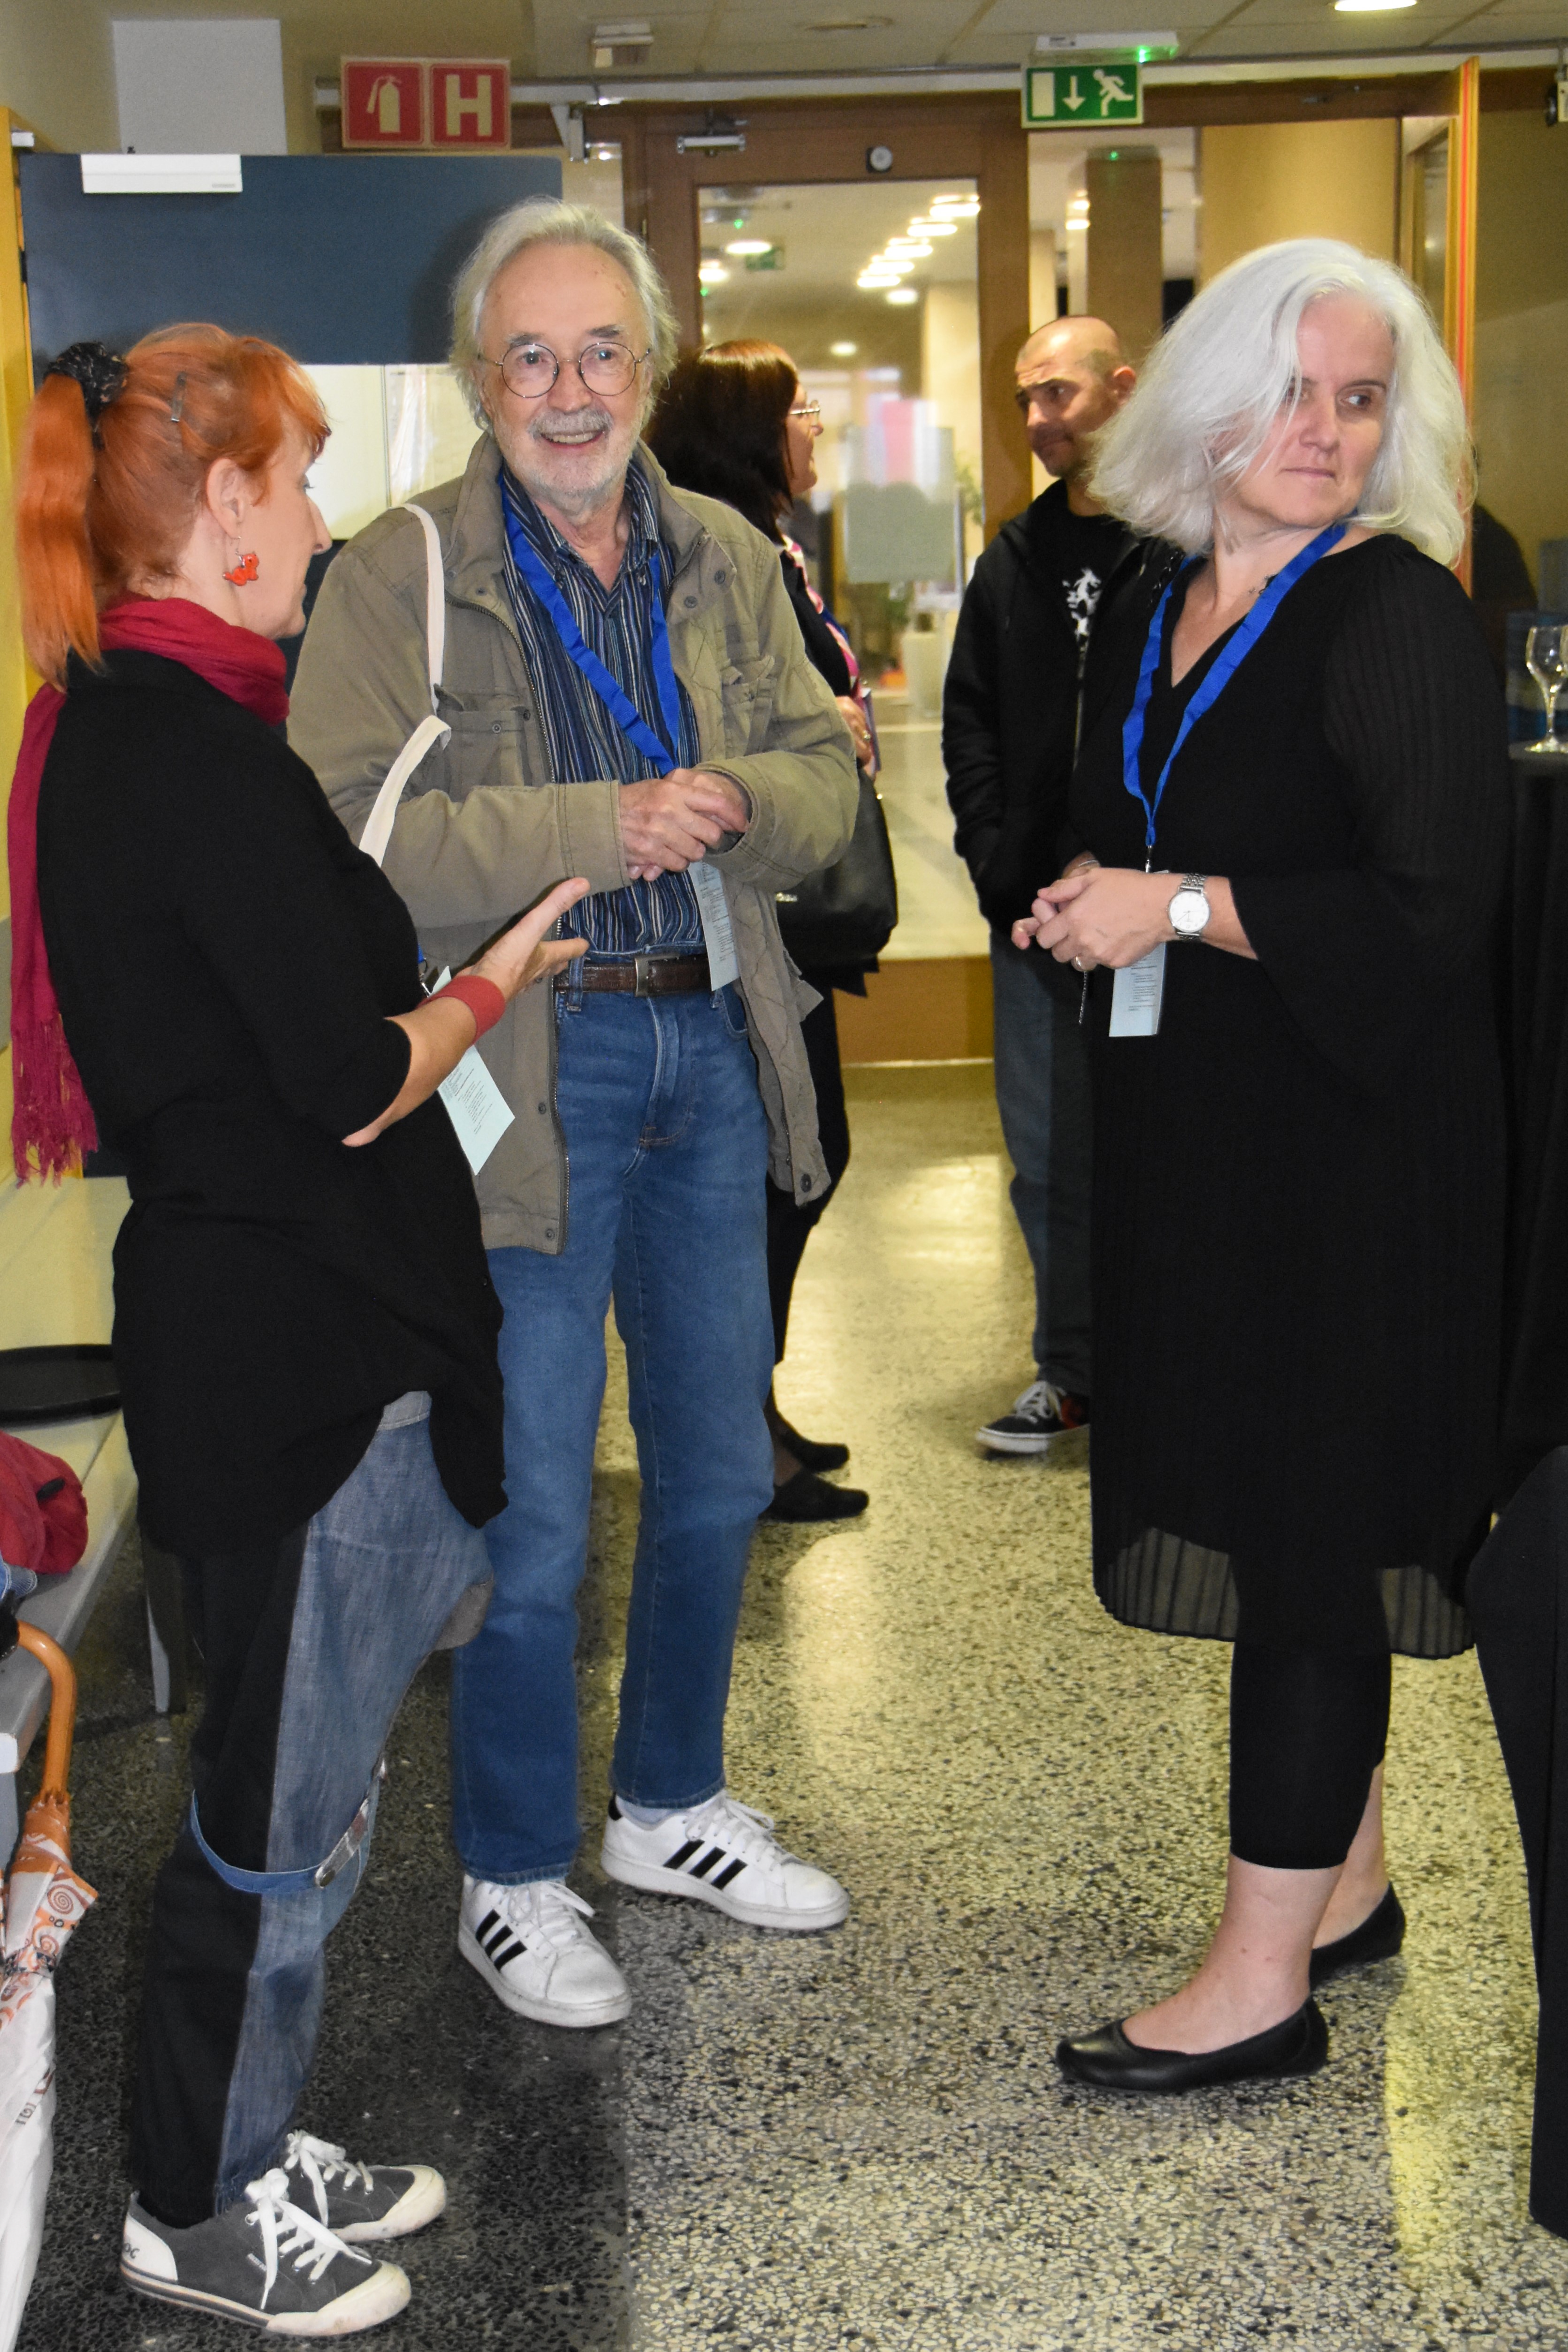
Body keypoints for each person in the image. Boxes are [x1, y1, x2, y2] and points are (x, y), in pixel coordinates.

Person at [13, 327, 588, 2331]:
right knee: (273, 1822)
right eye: (303, 477)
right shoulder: (178, 750)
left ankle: (247, 2134)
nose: (323, 516)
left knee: (312, 1804)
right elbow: (348, 1078)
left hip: (284, 1328)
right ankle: (192, 2201)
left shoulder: (149, 726)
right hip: (291, 1353)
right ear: (225, 501)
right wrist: (495, 981)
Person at [289, 200, 859, 2035]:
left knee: (716, 1467)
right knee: (530, 1510)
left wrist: (734, 800)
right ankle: (514, 1870)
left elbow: (828, 785)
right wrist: (593, 825)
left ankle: (668, 1801)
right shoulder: (399, 571)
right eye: (528, 356)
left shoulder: (725, 555)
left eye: (600, 349)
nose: (567, 389)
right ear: (480, 380)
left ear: (650, 366)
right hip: (528, 1067)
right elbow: (345, 836)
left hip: (712, 1038)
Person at [1014, 239, 1508, 2091]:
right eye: (1290, 390)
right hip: (1214, 1149)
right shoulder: (1160, 593)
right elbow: (1154, 808)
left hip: (1355, 1164)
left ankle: (1257, 1979)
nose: (1322, 430)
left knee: (1306, 1547)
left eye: (1358, 399)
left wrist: (1176, 905)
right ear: (1208, 400)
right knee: (1279, 1514)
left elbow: (1433, 910)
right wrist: (1101, 891)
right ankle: (1344, 1883)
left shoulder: (1388, 610)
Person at [647, 337, 875, 1523]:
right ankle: (738, 1421)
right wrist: (819, 725)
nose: (814, 428)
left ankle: (755, 1405)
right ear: (750, 429)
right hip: (745, 915)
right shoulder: (714, 550)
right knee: (788, 1162)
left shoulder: (766, 542)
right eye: (798, 410)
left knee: (802, 1158)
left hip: (787, 911)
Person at [942, 317, 1138, 1458]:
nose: (1036, 419)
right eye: (1024, 398)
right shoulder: (1013, 560)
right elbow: (970, 720)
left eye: (1057, 393)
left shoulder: (1185, 547)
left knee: (1161, 1148)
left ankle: (1167, 1370)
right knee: (1049, 1160)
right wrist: (995, 854)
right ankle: (1070, 1372)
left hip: (1157, 921)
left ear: (1122, 390)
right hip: (1031, 921)